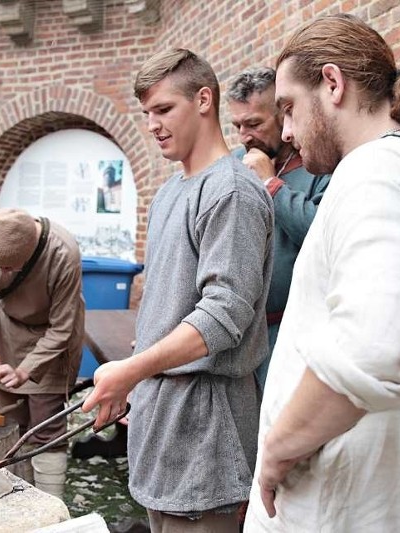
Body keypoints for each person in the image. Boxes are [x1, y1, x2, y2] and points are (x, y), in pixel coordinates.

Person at [244, 14, 400, 532]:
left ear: (332, 84)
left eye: (288, 108)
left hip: (338, 507)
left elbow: (371, 344)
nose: (284, 130)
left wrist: (279, 448)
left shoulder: (377, 171)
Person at [82, 48, 274, 532]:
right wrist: (140, 380)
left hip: (210, 430)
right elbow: (168, 308)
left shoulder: (230, 192)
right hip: (161, 421)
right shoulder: (170, 192)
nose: (152, 124)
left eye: (164, 109)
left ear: (204, 99)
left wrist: (131, 371)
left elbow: (222, 317)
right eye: (147, 113)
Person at [0, 208, 84, 499]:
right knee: (13, 422)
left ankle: (50, 509)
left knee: (45, 426)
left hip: (52, 334)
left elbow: (61, 328)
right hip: (8, 329)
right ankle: (22, 500)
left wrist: (25, 370)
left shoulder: (63, 253)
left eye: (11, 269)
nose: (2, 275)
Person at [227, 67, 331, 390]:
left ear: (282, 116)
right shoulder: (232, 164)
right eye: (238, 126)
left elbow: (322, 235)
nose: (245, 136)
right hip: (237, 337)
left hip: (292, 336)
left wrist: (271, 185)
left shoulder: (319, 163)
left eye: (255, 124)